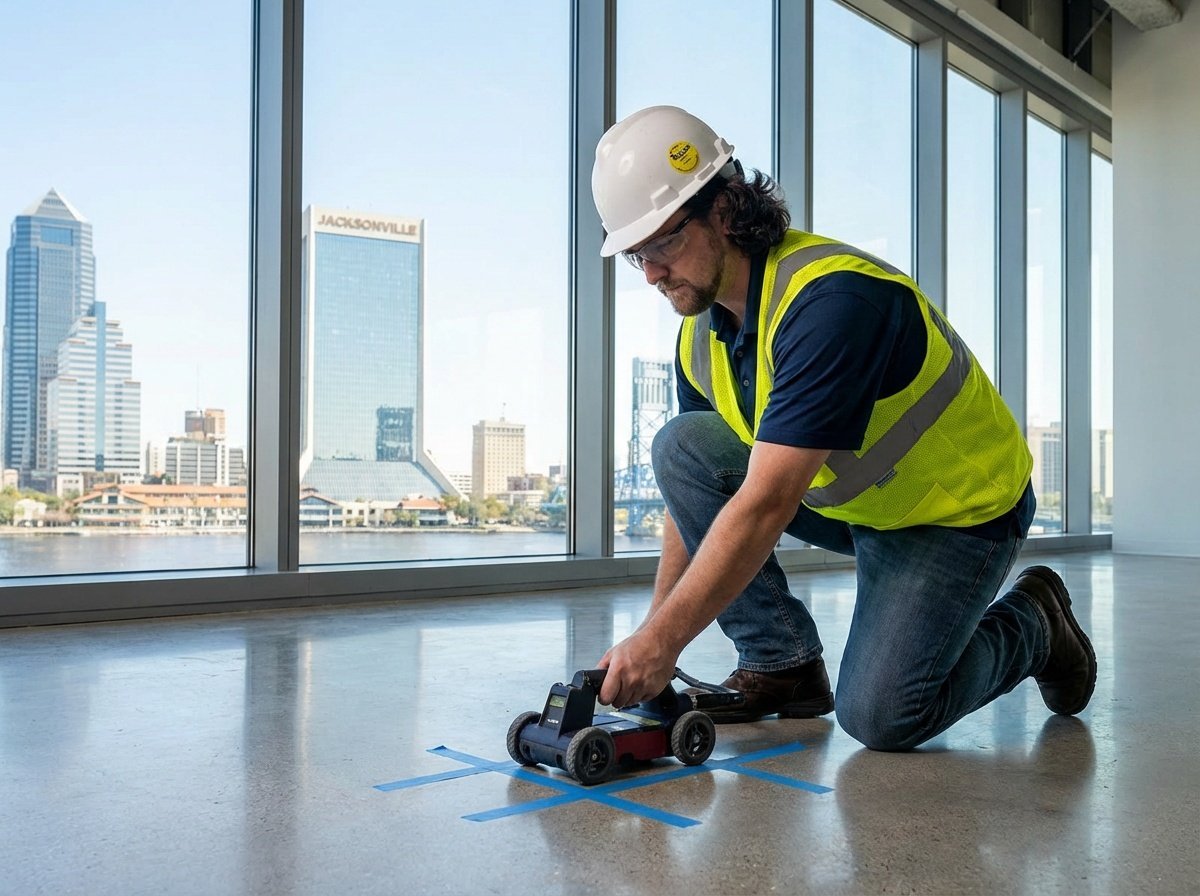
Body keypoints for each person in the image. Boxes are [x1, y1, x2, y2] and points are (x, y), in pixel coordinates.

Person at [591, 105, 1097, 751]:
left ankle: (1037, 623)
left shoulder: (832, 303)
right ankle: (781, 665)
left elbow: (766, 501)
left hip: (957, 514)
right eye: (637, 255)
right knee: (680, 447)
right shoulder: (699, 337)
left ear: (723, 210)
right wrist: (651, 633)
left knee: (883, 715)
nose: (652, 273)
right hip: (862, 508)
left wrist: (663, 645)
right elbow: (691, 500)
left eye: (663, 243)